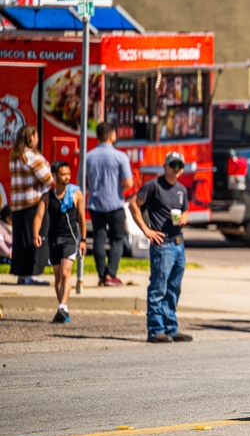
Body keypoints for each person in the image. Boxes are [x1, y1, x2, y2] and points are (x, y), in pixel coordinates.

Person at [129, 152, 193, 343]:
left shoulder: (181, 189)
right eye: (173, 165)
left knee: (174, 287)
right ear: (165, 166)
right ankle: (156, 329)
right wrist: (146, 230)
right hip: (162, 244)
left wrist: (185, 217)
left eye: (180, 165)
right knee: (159, 287)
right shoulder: (154, 186)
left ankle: (171, 328)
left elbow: (186, 210)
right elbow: (134, 204)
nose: (176, 169)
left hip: (178, 243)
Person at [33, 161, 86, 323]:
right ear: (55, 176)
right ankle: (63, 308)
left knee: (65, 273)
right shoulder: (47, 196)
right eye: (63, 174)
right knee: (57, 278)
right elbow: (39, 216)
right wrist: (36, 233)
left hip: (70, 239)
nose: (67, 177)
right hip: (53, 239)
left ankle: (62, 306)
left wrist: (83, 239)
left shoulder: (76, 194)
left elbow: (82, 218)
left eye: (68, 174)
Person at [86, 122, 134, 286]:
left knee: (99, 239)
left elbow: (82, 181)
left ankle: (101, 274)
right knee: (117, 239)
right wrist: (118, 189)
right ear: (112, 135)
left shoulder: (88, 156)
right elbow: (128, 182)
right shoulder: (120, 156)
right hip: (115, 203)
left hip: (95, 204)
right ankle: (110, 274)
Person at [8, 125, 52, 285]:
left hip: (18, 204)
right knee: (37, 238)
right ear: (31, 138)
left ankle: (22, 273)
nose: (38, 139)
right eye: (36, 136)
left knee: (21, 240)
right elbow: (48, 179)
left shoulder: (15, 156)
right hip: (34, 203)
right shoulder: (32, 157)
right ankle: (32, 274)